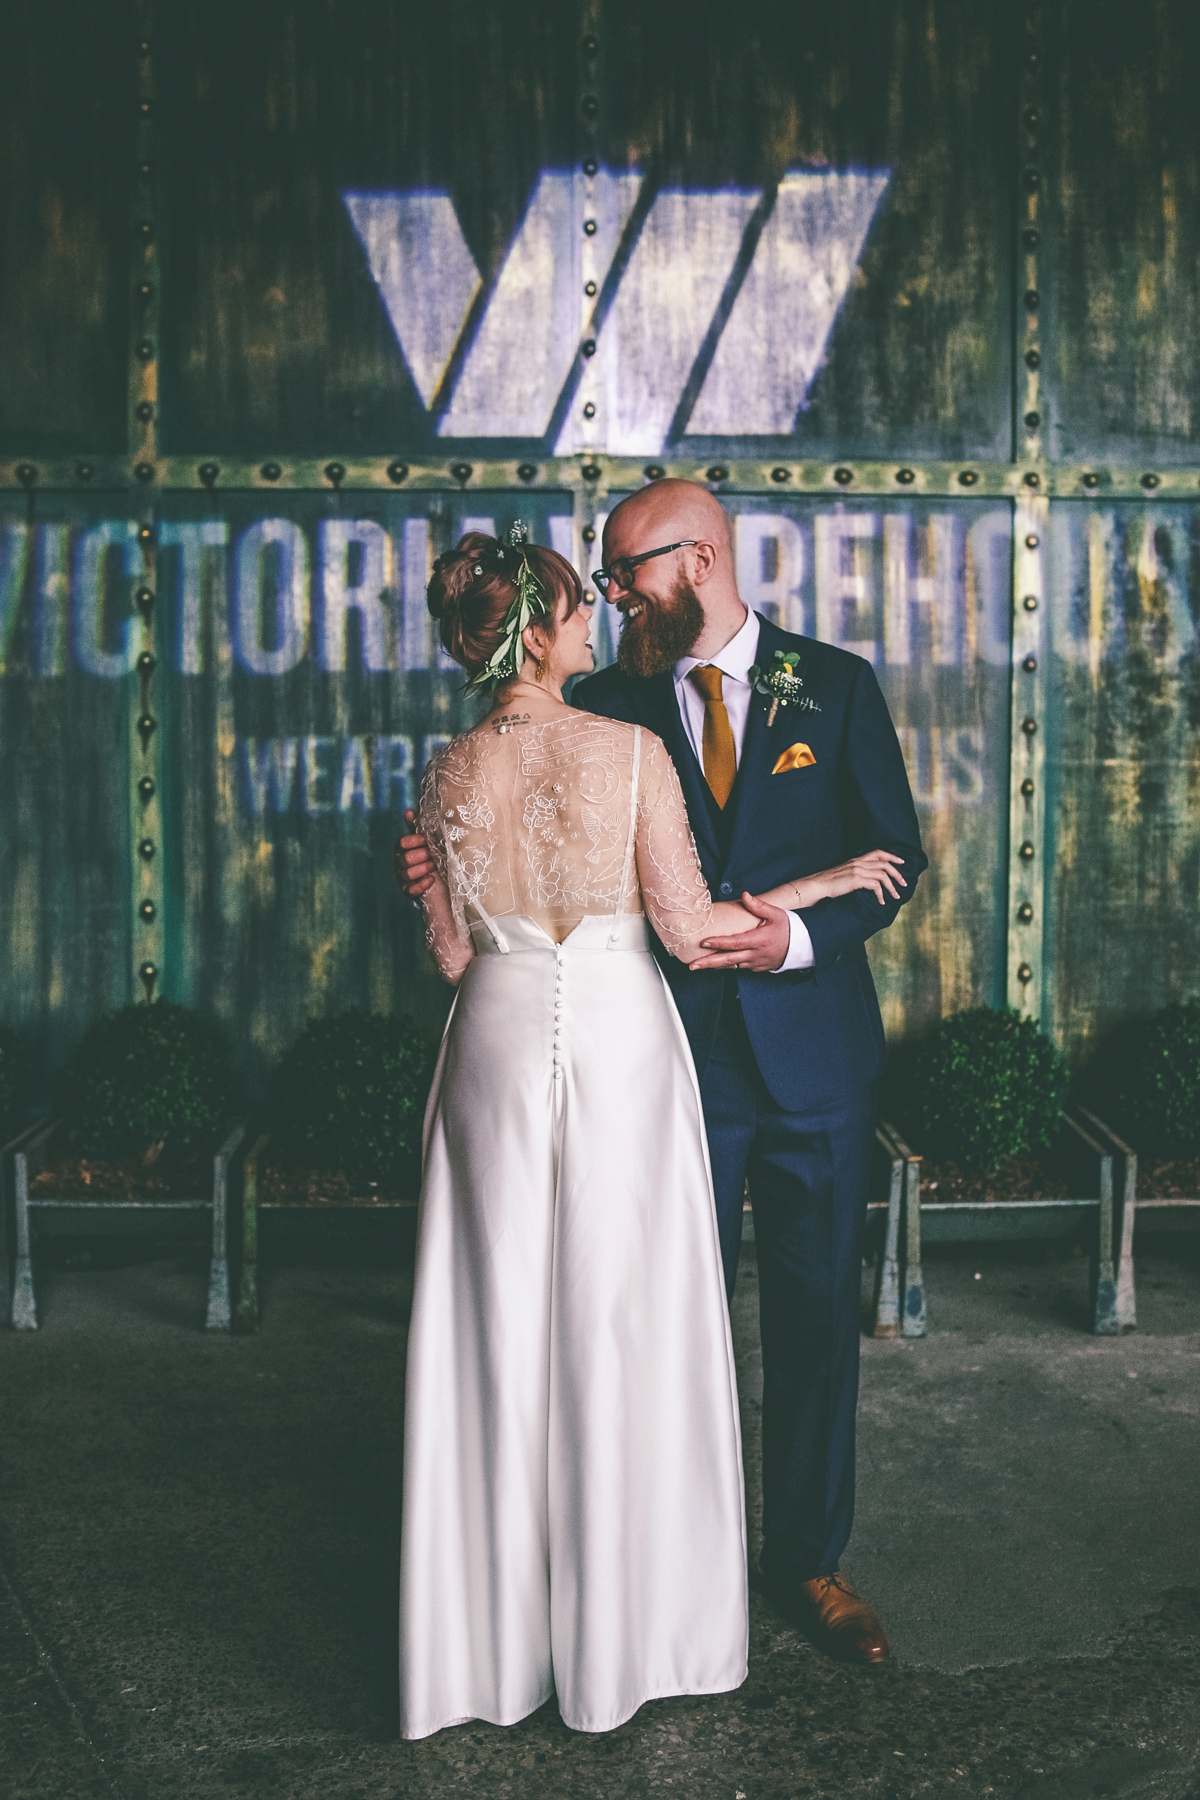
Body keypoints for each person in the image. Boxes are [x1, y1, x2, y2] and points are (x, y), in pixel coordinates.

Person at [396, 524, 906, 1738]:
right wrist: (824, 888)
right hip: (631, 1046)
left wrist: (432, 887)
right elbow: (685, 928)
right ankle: (635, 1618)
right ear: (542, 628)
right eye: (588, 593)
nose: (608, 603)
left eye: (625, 575)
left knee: (509, 1323)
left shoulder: (451, 769)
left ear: (700, 557)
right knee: (628, 1328)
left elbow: (461, 953)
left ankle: (508, 1632)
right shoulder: (624, 724)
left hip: (513, 1044)